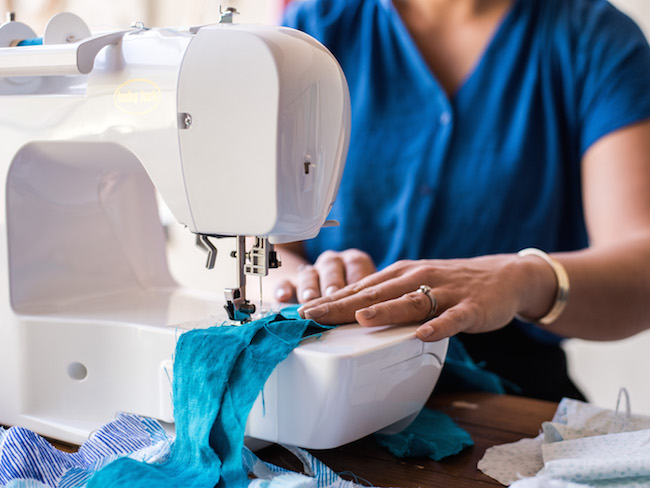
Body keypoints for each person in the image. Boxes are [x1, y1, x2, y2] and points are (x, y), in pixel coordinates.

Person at [270, 0, 650, 402]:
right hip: (323, 378)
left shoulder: (593, 37)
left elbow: (639, 266)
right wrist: (307, 284)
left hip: (506, 394)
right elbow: (271, 250)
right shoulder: (313, 30)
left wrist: (521, 279)